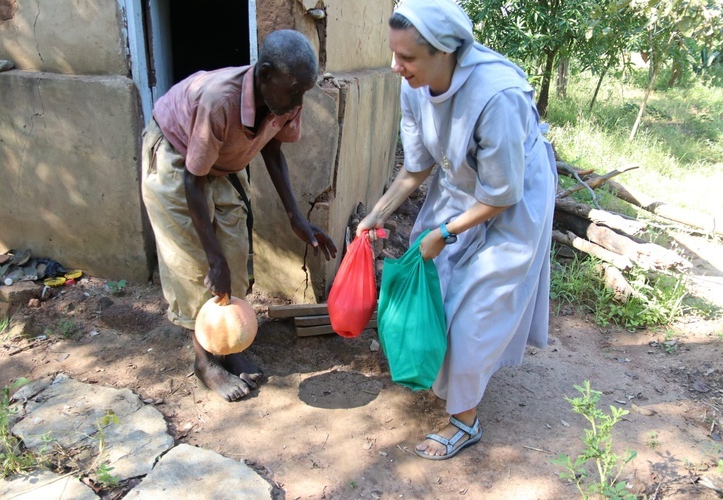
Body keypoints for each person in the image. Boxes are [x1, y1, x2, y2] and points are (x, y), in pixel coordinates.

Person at [357, 0, 557, 459]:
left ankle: (465, 422)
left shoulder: (496, 95)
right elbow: (416, 167)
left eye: (406, 57)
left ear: (445, 52)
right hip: (461, 186)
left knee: (476, 309)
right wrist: (378, 214)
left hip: (513, 199)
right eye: (393, 53)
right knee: (439, 287)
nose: (394, 66)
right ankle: (448, 374)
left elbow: (502, 193)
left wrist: (443, 233)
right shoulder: (414, 85)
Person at [142, 29, 337, 402]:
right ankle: (205, 361)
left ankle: (229, 346)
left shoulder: (286, 99)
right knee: (196, 261)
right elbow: (192, 181)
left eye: (304, 93)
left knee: (233, 250)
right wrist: (211, 258)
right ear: (264, 75)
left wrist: (295, 216)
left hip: (221, 163)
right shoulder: (220, 102)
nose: (299, 102)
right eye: (294, 91)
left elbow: (273, 150)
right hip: (178, 156)